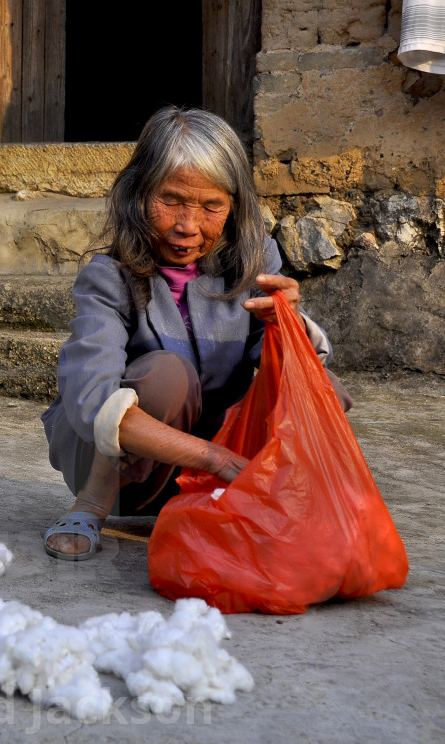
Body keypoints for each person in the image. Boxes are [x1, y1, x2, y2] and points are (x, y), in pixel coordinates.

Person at [41, 106, 352, 560]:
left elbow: (289, 380)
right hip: (134, 479)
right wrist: (216, 459)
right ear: (138, 194)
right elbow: (92, 404)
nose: (188, 226)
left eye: (211, 207)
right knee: (166, 375)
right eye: (171, 201)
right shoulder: (108, 278)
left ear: (234, 208)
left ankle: (255, 503)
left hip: (220, 474)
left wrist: (285, 325)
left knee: (320, 388)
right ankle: (90, 505)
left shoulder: (253, 263)